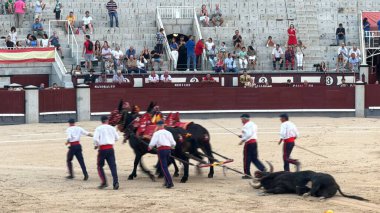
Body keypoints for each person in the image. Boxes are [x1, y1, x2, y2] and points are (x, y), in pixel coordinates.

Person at [93, 116, 120, 190]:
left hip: (102, 149)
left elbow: (95, 139)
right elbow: (117, 138)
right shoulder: (112, 128)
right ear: (107, 121)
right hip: (111, 149)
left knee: (99, 166)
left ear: (101, 121)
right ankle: (116, 182)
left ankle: (104, 182)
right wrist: (111, 139)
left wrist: (96, 145)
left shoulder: (98, 128)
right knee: (113, 166)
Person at [148, 120, 176, 189]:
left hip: (161, 150)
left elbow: (152, 143)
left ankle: (170, 182)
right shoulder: (168, 132)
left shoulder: (157, 133)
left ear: (158, 126)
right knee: (165, 166)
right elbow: (173, 143)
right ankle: (167, 182)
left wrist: (149, 147)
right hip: (168, 150)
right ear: (163, 125)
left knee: (164, 167)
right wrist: (171, 148)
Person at [239, 114, 266, 179]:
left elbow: (248, 134)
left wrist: (242, 140)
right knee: (254, 158)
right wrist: (242, 135)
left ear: (245, 119)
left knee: (246, 159)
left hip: (248, 144)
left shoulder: (245, 126)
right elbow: (251, 133)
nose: (241, 120)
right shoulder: (253, 124)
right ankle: (262, 169)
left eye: (242, 119)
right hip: (254, 143)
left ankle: (247, 174)